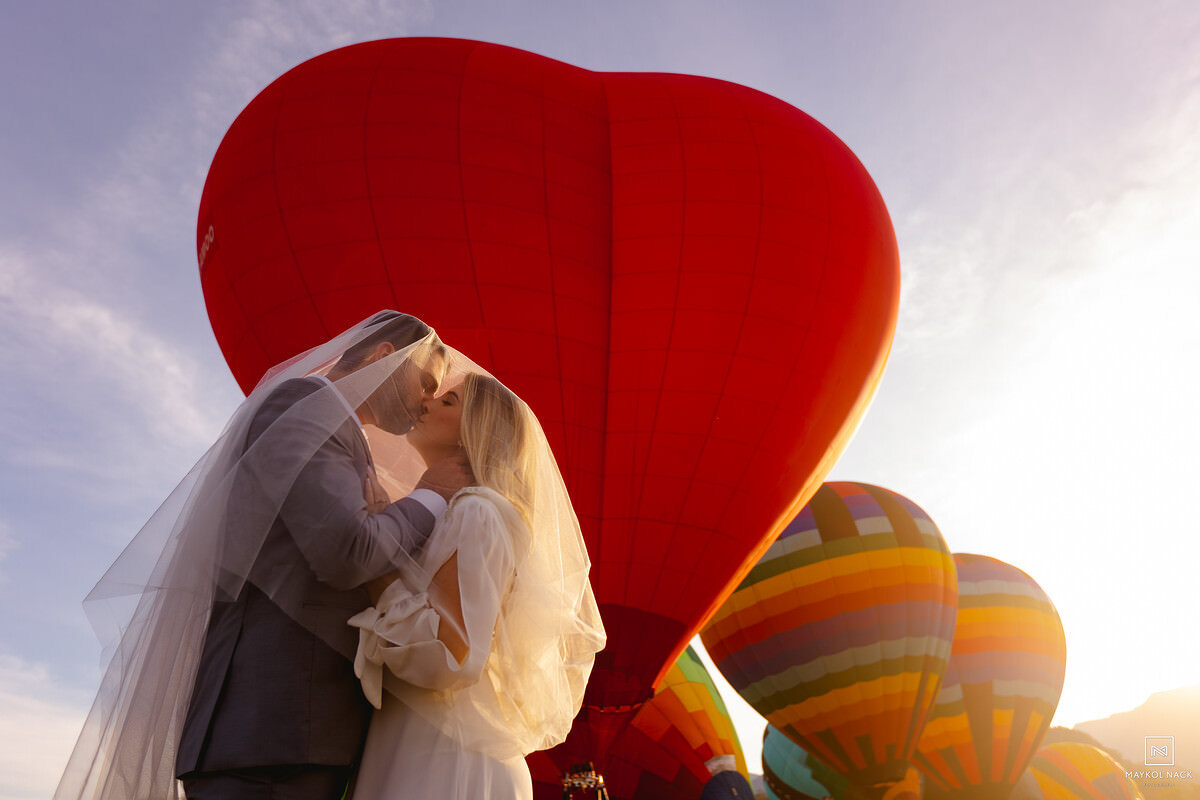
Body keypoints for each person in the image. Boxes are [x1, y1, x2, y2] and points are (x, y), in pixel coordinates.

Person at [55, 312, 472, 800]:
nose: (427, 400)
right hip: (272, 728)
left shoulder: (336, 429)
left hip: (289, 733)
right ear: (384, 358)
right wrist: (429, 496)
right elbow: (346, 551)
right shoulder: (307, 404)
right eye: (425, 382)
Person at [346, 372, 606, 800]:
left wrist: (380, 567)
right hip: (429, 743)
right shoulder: (457, 514)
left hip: (443, 759)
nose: (426, 403)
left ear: (476, 432)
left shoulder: (478, 512)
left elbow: (452, 654)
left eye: (448, 401)